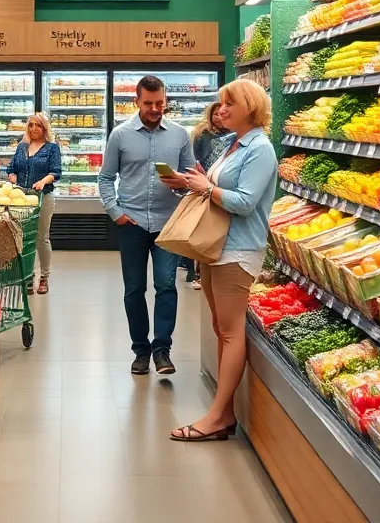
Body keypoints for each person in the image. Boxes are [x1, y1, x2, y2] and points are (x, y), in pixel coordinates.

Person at [169, 79, 277, 442]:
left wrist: (208, 189)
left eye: (229, 103)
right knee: (220, 328)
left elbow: (245, 202)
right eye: (221, 103)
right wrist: (198, 181)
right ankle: (225, 410)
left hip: (238, 249)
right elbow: (224, 190)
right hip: (216, 246)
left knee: (230, 332)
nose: (222, 110)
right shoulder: (235, 144)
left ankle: (216, 417)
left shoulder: (260, 148)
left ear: (250, 107)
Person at [98, 75, 195, 376]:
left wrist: (181, 183)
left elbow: (192, 179)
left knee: (166, 286)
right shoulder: (120, 135)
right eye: (149, 103)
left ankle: (162, 351)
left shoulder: (180, 135)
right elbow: (104, 178)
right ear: (136, 102)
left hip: (168, 224)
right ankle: (140, 350)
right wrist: (116, 212)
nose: (155, 109)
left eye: (160, 103)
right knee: (134, 289)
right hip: (132, 223)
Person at [7, 112, 61, 295]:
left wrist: (43, 181)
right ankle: (27, 275)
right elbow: (12, 167)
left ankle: (44, 276)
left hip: (43, 197)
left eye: (38, 125)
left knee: (41, 237)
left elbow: (56, 171)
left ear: (44, 128)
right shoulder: (22, 147)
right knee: (22, 237)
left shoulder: (52, 148)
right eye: (31, 125)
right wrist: (12, 175)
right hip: (21, 198)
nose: (34, 129)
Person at [183, 103, 232, 289]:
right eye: (216, 114)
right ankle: (196, 273)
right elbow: (196, 160)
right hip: (204, 186)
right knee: (201, 231)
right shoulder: (204, 135)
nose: (220, 117)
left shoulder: (234, 138)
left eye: (223, 113)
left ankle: (205, 270)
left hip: (219, 188)